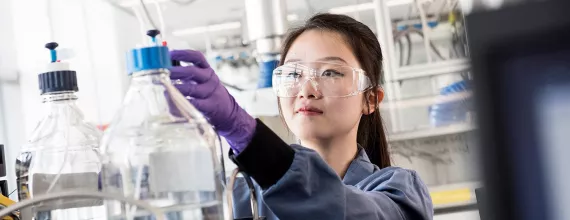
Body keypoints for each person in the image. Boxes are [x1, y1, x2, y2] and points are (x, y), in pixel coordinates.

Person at [170, 13, 433, 220]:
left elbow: (337, 210)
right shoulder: (242, 196)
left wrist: (244, 133)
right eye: (293, 74)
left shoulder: (400, 191)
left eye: (331, 72)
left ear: (370, 99)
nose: (307, 90)